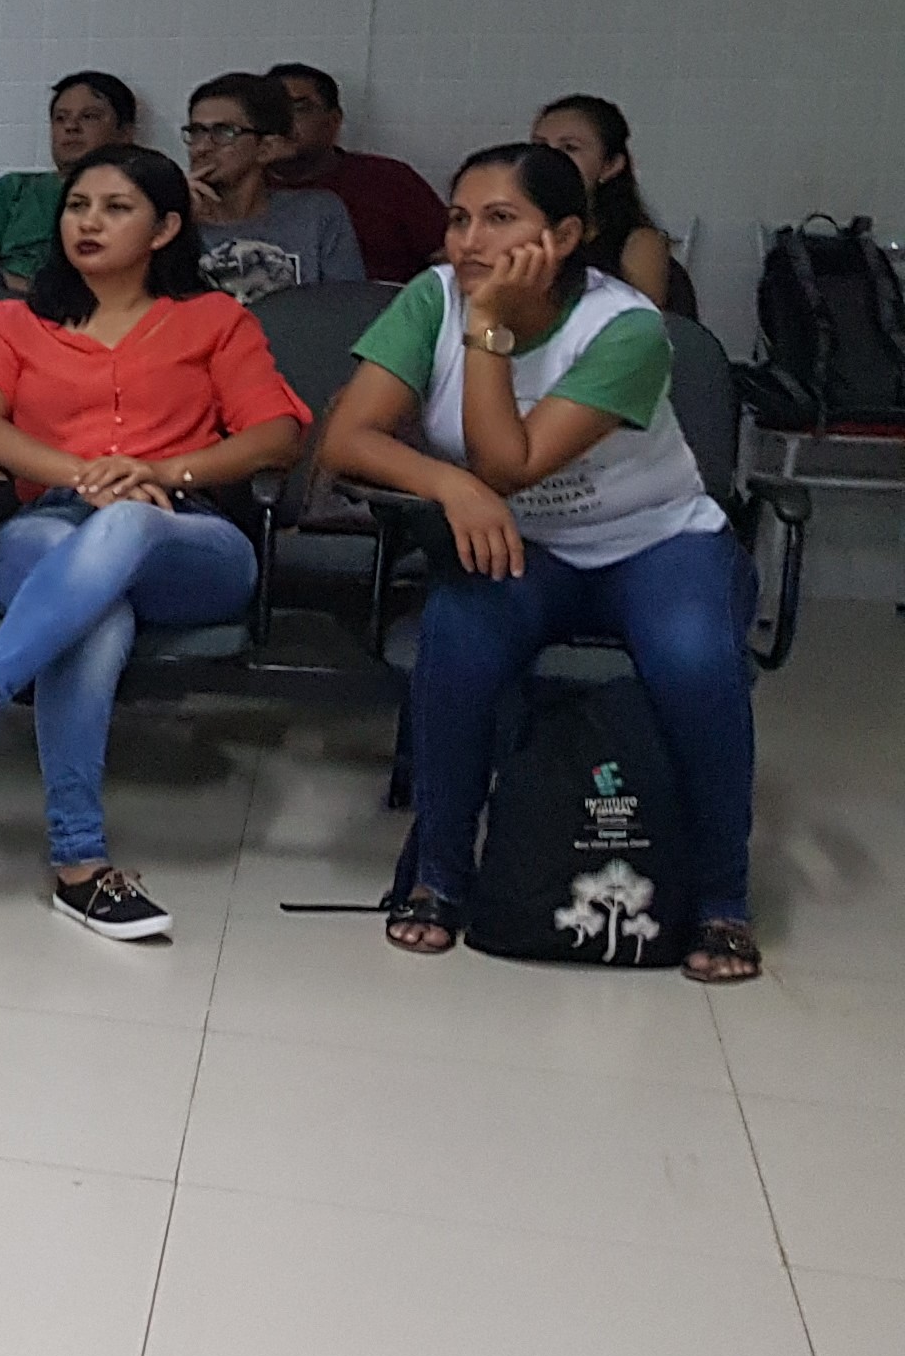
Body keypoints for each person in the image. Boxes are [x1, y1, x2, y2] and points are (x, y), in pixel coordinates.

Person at [318, 141, 759, 981]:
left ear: (564, 234)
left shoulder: (627, 328)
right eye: (458, 219)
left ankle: (721, 902)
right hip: (527, 552)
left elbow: (512, 463)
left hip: (656, 542)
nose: (470, 243)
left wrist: (490, 335)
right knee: (454, 647)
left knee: (698, 665)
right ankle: (439, 882)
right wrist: (452, 485)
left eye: (500, 219)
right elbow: (348, 438)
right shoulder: (430, 299)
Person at [0, 145, 309, 943]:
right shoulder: (16, 319)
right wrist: (87, 473)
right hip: (52, 527)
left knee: (133, 521)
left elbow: (276, 434)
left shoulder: (216, 320)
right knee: (95, 615)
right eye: (78, 206)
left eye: (115, 207)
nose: (89, 223)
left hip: (185, 533)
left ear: (167, 226)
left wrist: (161, 471)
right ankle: (81, 869)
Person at [180, 70, 361, 303]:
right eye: (196, 132)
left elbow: (347, 306)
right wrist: (176, 222)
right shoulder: (171, 218)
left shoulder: (316, 213)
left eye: (224, 132)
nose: (201, 148)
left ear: (267, 148)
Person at [269, 62, 444, 284]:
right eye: (272, 110)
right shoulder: (239, 186)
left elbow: (448, 257)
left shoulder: (388, 180)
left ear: (333, 121)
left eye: (300, 108)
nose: (282, 121)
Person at [0, 72, 136, 285]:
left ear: (125, 133)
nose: (71, 127)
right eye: (60, 118)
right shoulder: (14, 189)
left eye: (88, 116)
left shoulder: (139, 197)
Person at [528, 93, 678, 306]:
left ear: (610, 166)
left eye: (570, 147)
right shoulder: (520, 230)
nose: (549, 159)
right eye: (540, 146)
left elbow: (641, 330)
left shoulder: (639, 243)